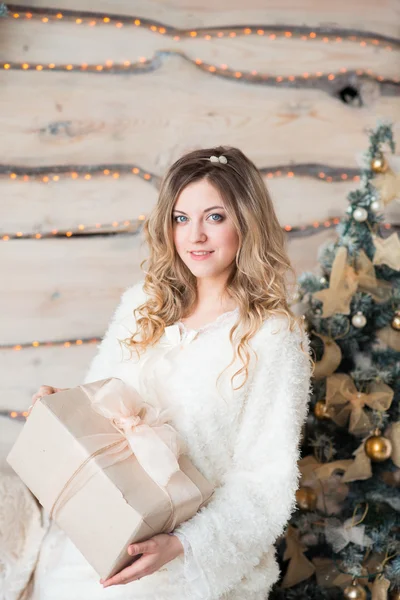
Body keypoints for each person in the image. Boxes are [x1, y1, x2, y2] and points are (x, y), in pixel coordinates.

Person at [27, 146, 314, 600]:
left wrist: (183, 545)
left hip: (188, 567)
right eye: (181, 218)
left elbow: (264, 483)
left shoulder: (274, 338)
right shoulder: (143, 304)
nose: (195, 235)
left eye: (214, 217)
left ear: (247, 220)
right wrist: (61, 406)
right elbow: (101, 404)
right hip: (97, 541)